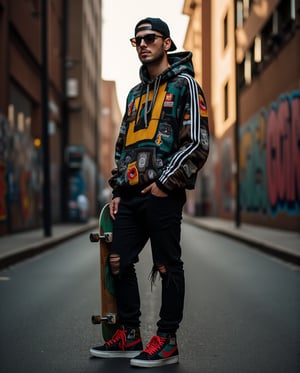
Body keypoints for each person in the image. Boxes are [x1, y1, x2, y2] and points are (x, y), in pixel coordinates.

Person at [90, 17, 209, 368]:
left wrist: (163, 184)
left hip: (163, 194)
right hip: (129, 197)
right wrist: (117, 190)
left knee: (166, 265)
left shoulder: (186, 85)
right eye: (136, 39)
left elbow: (198, 144)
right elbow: (123, 146)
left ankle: (167, 340)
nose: (142, 44)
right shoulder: (134, 94)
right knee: (118, 260)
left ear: (167, 43)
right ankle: (129, 333)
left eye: (150, 38)